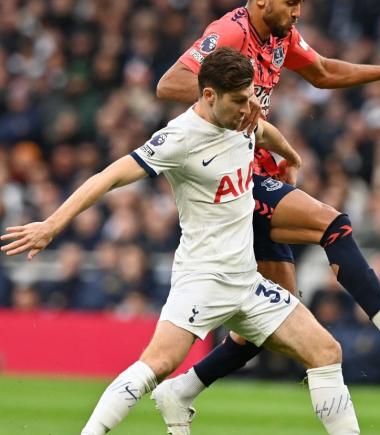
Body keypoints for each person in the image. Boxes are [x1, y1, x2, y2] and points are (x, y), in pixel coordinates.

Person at [1, 47, 360, 435]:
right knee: (157, 364)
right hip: (202, 279)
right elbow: (108, 177)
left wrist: (290, 156)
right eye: (239, 101)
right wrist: (52, 224)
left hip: (247, 281)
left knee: (326, 353)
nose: (248, 109)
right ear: (209, 96)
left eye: (251, 97)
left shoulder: (242, 116)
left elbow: (261, 128)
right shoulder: (179, 138)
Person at [152, 1, 380, 430]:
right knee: (333, 224)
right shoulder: (230, 33)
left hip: (252, 170)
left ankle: (182, 390)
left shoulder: (282, 36)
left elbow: (323, 71)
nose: (298, 10)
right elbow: (169, 84)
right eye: (290, 1)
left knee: (278, 312)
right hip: (231, 178)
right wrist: (240, 104)